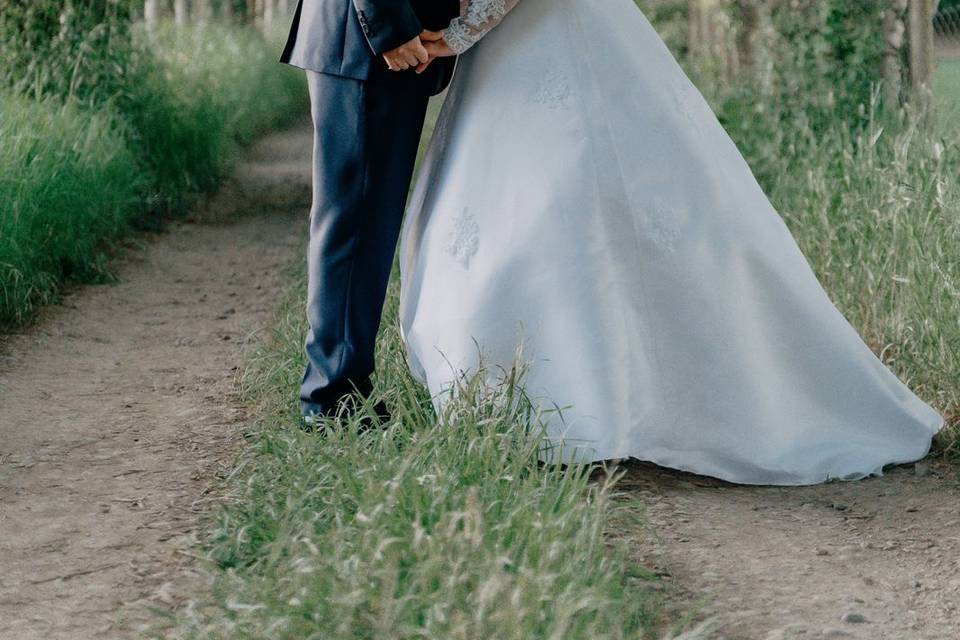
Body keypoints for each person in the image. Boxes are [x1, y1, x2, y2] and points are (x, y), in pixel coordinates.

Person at [397, 0, 945, 485]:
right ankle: (565, 394)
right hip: (535, 39)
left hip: (548, 29)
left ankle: (582, 402)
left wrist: (459, 32)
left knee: (568, 194)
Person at [279, 0, 459, 422]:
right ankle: (330, 399)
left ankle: (343, 386)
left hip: (380, 49)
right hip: (368, 40)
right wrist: (389, 27)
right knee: (354, 223)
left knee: (368, 223)